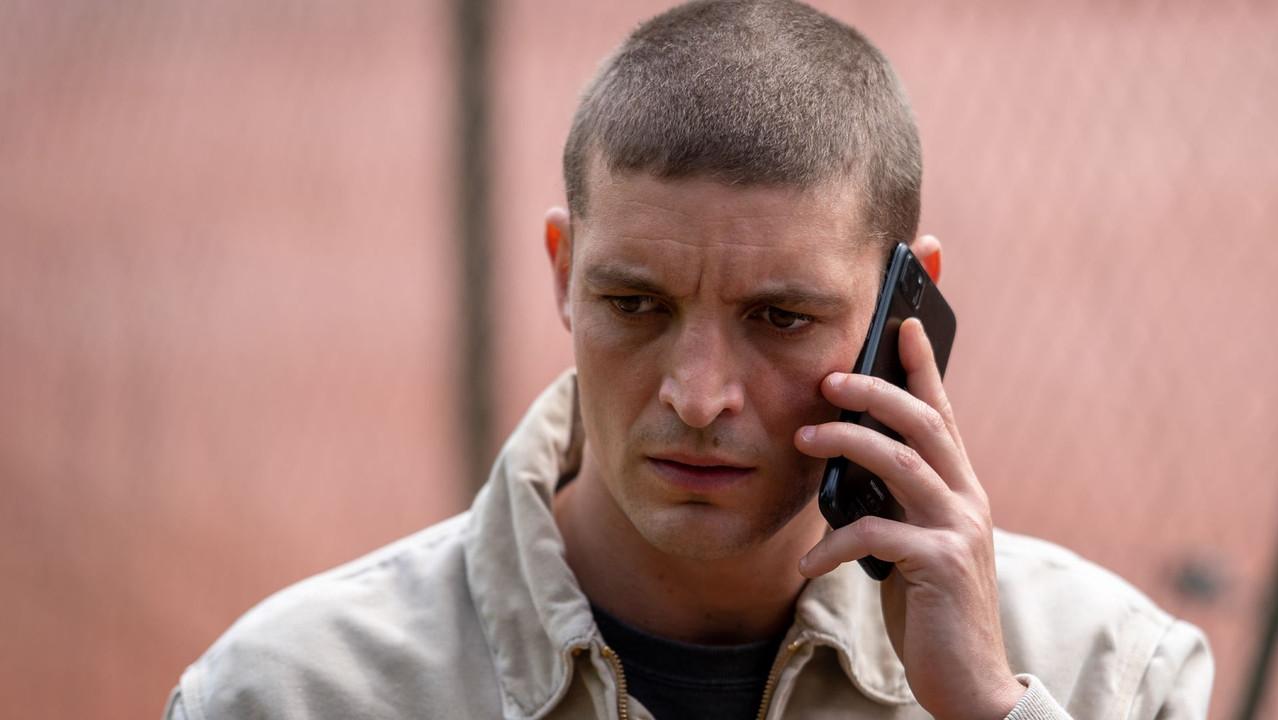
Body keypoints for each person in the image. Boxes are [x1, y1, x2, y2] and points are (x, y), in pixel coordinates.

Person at [163, 1, 1213, 718]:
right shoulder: (290, 693)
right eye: (634, 304)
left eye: (781, 317)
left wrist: (987, 709)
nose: (699, 396)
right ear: (563, 270)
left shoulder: (1107, 674)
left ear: (905, 302)